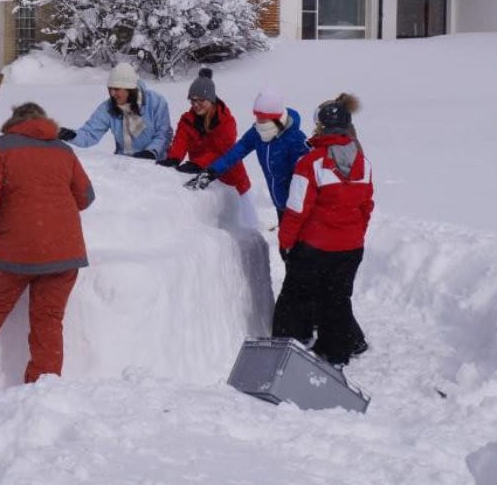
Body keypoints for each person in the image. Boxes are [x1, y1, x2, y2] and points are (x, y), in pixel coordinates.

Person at [0, 103, 95, 389]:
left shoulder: (0, 148)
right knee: (48, 320)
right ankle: (43, 385)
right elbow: (86, 196)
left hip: (16, 251)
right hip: (65, 252)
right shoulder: (64, 150)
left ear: (13, 123)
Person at [272, 95, 373, 368]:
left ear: (321, 127)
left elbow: (295, 209)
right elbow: (366, 206)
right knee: (336, 299)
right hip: (350, 248)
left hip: (314, 248)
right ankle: (336, 353)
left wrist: (286, 243)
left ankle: (286, 350)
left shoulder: (311, 163)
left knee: (295, 295)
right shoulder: (364, 163)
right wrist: (354, 235)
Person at [186, 89, 310, 224]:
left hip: (298, 210)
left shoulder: (295, 140)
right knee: (285, 242)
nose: (258, 120)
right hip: (280, 204)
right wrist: (211, 172)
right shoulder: (258, 132)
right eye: (257, 116)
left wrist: (295, 209)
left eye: (262, 117)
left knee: (293, 244)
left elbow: (304, 179)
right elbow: (236, 151)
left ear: (276, 117)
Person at [156, 68, 251, 195]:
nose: (196, 104)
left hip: (232, 183)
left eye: (201, 100)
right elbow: (180, 141)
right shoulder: (187, 120)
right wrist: (173, 158)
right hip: (202, 178)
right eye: (193, 100)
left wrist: (198, 164)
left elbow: (222, 152)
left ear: (211, 100)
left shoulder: (225, 122)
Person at [58, 62, 172, 160]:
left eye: (117, 89)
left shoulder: (155, 102)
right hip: (125, 163)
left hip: (156, 163)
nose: (112, 93)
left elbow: (164, 134)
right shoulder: (108, 107)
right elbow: (89, 134)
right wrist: (71, 135)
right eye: (110, 89)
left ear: (130, 90)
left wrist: (151, 152)